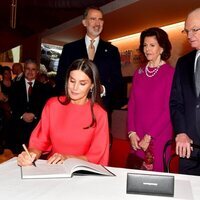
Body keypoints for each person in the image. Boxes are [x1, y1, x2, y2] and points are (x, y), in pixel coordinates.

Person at [17, 58, 109, 167]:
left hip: (84, 173)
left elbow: (96, 156)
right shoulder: (53, 105)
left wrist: (66, 158)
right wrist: (30, 155)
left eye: (82, 83)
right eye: (72, 81)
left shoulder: (99, 113)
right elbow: (39, 142)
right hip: (54, 169)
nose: (75, 88)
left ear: (92, 85)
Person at [56, 6, 124, 114]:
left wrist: (103, 89)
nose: (97, 23)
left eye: (100, 19)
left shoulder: (112, 51)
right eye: (93, 19)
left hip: (101, 108)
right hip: (73, 109)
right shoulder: (69, 49)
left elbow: (118, 82)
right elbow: (60, 78)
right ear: (84, 22)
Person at [127, 27, 174, 172]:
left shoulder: (170, 73)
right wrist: (131, 132)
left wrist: (149, 136)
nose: (147, 49)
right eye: (145, 45)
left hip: (159, 135)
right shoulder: (138, 73)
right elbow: (132, 104)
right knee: (137, 177)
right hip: (138, 135)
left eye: (152, 45)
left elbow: (169, 109)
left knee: (156, 181)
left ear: (162, 48)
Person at [170, 8, 200, 175]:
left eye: (194, 30)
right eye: (187, 31)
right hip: (188, 149)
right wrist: (181, 132)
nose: (189, 36)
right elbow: (176, 102)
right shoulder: (183, 63)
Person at [9, 59, 48, 154]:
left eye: (33, 69)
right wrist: (22, 115)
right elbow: (12, 104)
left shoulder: (45, 88)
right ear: (24, 70)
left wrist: (34, 115)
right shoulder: (14, 86)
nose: (30, 72)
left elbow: (45, 107)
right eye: (28, 69)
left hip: (36, 129)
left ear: (37, 72)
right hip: (18, 129)